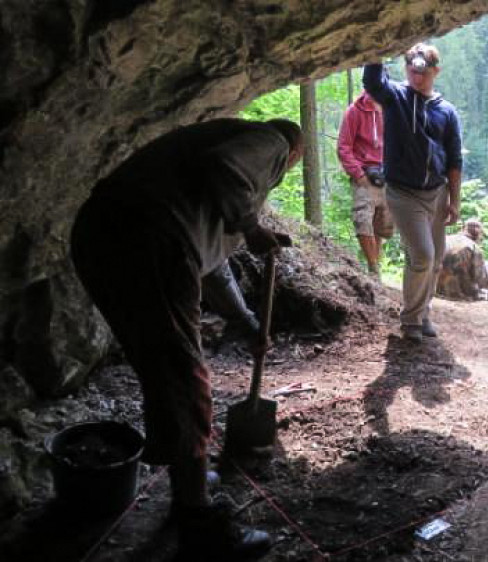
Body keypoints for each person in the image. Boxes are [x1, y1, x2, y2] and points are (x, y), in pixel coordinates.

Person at [70, 118, 303, 560]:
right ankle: (198, 523)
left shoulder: (194, 190)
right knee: (182, 376)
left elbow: (210, 263)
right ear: (293, 154)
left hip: (101, 235)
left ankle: (188, 482)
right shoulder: (274, 143)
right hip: (146, 237)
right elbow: (225, 166)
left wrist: (249, 322)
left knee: (163, 370)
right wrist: (253, 228)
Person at [364, 43, 464, 342]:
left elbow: (455, 158)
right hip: (403, 192)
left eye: (422, 72)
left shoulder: (446, 111)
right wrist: (378, 45)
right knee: (422, 254)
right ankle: (410, 321)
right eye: (411, 71)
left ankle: (423, 313)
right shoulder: (395, 97)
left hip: (437, 192)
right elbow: (372, 83)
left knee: (434, 261)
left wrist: (455, 200)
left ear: (436, 71)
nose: (416, 78)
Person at [337, 91, 392, 276]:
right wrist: (358, 174)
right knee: (363, 219)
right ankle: (372, 266)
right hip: (364, 174)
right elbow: (344, 147)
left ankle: (376, 268)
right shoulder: (354, 111)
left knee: (381, 223)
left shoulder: (390, 108)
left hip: (387, 174)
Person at [436, 219, 488, 300]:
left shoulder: (446, 239)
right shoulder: (474, 247)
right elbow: (481, 278)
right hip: (457, 292)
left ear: (463, 229)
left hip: (434, 287)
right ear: (479, 235)